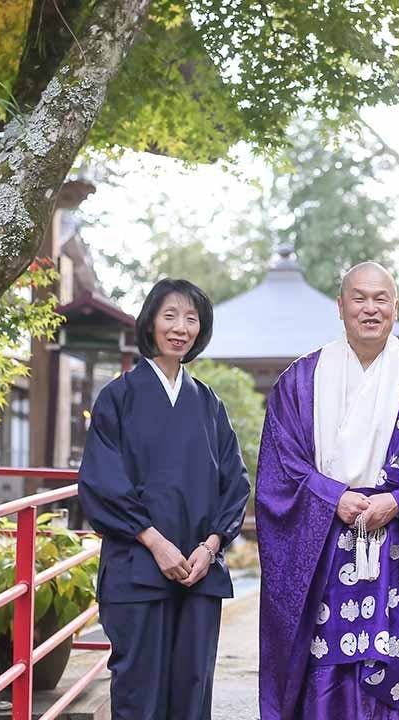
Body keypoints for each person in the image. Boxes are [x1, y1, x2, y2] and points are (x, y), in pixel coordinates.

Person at [256, 262, 399, 720]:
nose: (370, 309)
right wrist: (332, 497)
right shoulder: (301, 380)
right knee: (324, 665)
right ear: (340, 306)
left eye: (381, 299)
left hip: (397, 548)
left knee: (395, 662)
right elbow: (281, 465)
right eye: (359, 298)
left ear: (395, 306)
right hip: (325, 546)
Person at [77, 278, 251, 720]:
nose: (181, 327)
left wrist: (210, 547)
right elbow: (101, 483)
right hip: (137, 570)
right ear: (150, 322)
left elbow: (235, 483)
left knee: (193, 692)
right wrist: (156, 542)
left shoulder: (209, 404)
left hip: (199, 571)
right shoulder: (118, 397)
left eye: (191, 318)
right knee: (139, 694)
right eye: (170, 315)